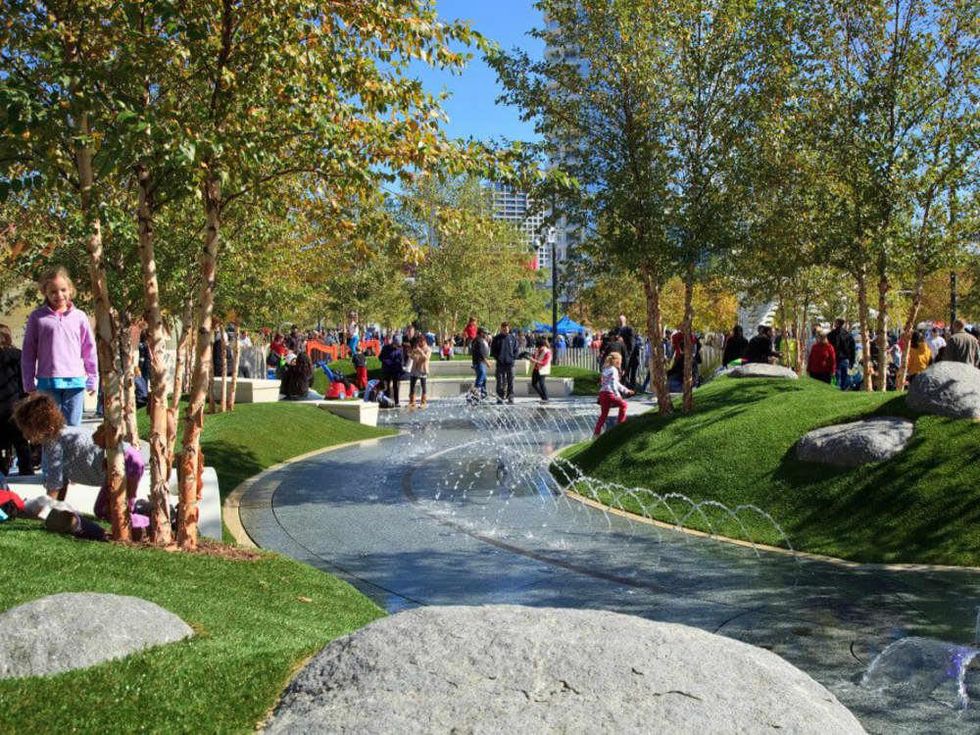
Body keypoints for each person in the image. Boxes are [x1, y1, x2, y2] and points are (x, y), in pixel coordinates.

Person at [13, 392, 144, 506]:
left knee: (112, 510)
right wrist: (58, 506)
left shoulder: (54, 442)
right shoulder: (63, 435)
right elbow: (62, 482)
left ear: (43, 427)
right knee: (114, 508)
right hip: (132, 457)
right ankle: (143, 511)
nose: (25, 435)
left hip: (123, 461)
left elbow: (55, 481)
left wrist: (47, 508)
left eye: (27, 430)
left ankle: (144, 518)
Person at [21, 266, 98, 427]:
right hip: (47, 382)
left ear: (70, 290)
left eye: (63, 290)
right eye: (53, 292)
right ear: (45, 293)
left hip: (75, 382)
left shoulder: (80, 317)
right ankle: (49, 454)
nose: (59, 295)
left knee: (72, 429)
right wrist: (28, 383)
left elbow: (89, 349)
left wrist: (92, 378)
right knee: (50, 429)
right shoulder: (38, 318)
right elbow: (28, 352)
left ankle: (72, 454)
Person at [0, 324, 32, 476]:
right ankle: (26, 469)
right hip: (15, 404)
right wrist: (26, 399)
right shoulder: (18, 355)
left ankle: (2, 470)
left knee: (2, 442)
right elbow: (23, 380)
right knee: (20, 440)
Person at [593, 353, 633, 436]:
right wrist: (617, 395)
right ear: (617, 361)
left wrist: (626, 391)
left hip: (602, 393)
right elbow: (613, 384)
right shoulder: (613, 370)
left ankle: (596, 433)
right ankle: (620, 427)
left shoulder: (606, 369)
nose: (621, 363)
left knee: (603, 414)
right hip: (609, 393)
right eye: (621, 361)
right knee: (624, 405)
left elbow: (616, 383)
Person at [490, 322, 519, 404]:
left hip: (510, 364)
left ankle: (510, 396)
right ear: (501, 329)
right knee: (500, 381)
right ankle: (500, 397)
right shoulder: (496, 339)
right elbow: (493, 351)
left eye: (507, 329)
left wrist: (513, 358)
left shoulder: (512, 338)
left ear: (508, 329)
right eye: (504, 329)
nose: (505, 330)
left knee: (511, 381)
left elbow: (516, 350)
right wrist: (498, 358)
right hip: (500, 364)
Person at [827, 319, 856, 391]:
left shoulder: (830, 335)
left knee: (837, 376)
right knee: (844, 377)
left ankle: (838, 391)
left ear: (837, 324)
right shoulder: (848, 335)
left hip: (835, 359)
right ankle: (843, 390)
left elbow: (827, 348)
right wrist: (852, 361)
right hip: (845, 359)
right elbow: (852, 349)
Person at [407, 334, 431, 408]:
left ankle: (423, 402)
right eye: (419, 341)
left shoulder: (428, 349)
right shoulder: (416, 348)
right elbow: (412, 357)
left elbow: (426, 358)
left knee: (423, 386)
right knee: (412, 386)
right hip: (415, 369)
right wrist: (411, 353)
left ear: (424, 341)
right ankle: (412, 402)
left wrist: (420, 351)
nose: (420, 343)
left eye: (421, 341)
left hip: (422, 369)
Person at [379, 335, 403, 407]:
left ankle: (397, 402)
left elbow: (401, 360)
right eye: (397, 345)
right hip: (387, 370)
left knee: (396, 387)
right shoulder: (386, 348)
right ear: (393, 343)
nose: (397, 346)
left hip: (396, 371)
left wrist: (400, 368)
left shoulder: (400, 350)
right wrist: (387, 362)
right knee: (387, 387)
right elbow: (380, 357)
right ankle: (387, 402)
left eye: (398, 345)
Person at [529, 337, 552, 403]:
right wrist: (531, 358)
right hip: (536, 369)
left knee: (542, 384)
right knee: (534, 384)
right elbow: (534, 357)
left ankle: (546, 398)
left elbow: (544, 363)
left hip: (543, 370)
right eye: (537, 347)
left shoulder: (547, 352)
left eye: (539, 347)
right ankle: (543, 397)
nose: (538, 349)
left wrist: (535, 361)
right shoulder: (537, 350)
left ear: (543, 346)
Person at [470, 327, 490, 400]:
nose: (486, 335)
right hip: (480, 363)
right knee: (481, 378)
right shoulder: (479, 341)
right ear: (481, 333)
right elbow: (481, 353)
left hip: (480, 363)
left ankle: (483, 394)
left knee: (483, 379)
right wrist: (487, 362)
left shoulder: (480, 340)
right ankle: (475, 393)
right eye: (485, 333)